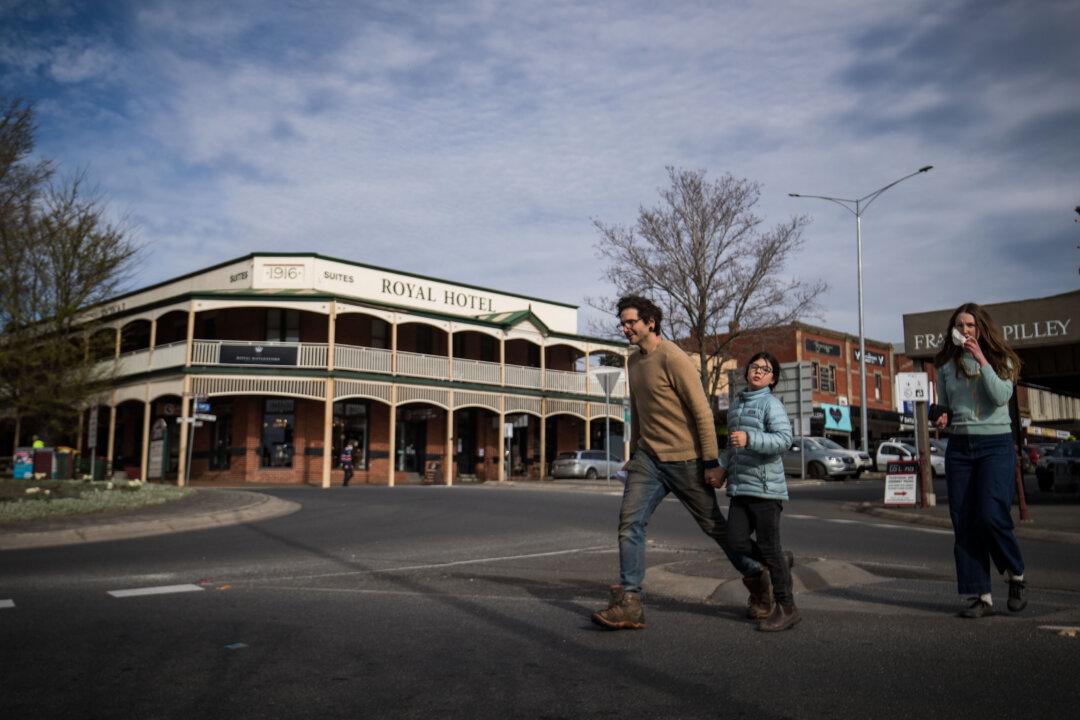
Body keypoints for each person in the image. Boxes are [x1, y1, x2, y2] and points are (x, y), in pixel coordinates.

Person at [591, 295, 764, 630]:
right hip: (649, 459)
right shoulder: (633, 361)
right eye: (623, 323)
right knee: (630, 523)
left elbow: (702, 411)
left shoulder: (673, 357)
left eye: (631, 322)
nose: (625, 328)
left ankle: (759, 577)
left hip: (686, 460)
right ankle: (629, 602)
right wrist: (633, 454)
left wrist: (712, 462)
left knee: (713, 526)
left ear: (650, 322)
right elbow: (639, 408)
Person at [933, 302, 1026, 619]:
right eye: (959, 325)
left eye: (970, 325)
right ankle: (981, 595)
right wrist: (941, 418)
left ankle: (1015, 574)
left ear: (981, 328)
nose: (964, 330)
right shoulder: (946, 366)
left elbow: (1000, 396)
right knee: (964, 521)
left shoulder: (1004, 360)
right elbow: (943, 405)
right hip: (959, 446)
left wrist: (982, 358)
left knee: (990, 514)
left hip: (995, 444)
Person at [715, 352, 799, 631]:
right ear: (747, 371)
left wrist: (751, 438)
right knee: (735, 541)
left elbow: (784, 440)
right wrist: (722, 468)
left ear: (772, 378)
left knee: (768, 546)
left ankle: (787, 608)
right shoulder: (737, 404)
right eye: (754, 367)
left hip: (765, 489)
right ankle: (778, 562)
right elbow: (732, 447)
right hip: (740, 487)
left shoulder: (771, 405)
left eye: (765, 369)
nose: (758, 372)